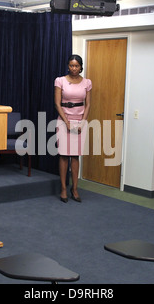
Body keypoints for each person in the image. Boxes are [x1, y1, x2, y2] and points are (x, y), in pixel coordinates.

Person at [54, 54, 92, 203]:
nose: (74, 68)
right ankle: (63, 188)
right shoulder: (60, 81)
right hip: (64, 120)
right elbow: (57, 103)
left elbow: (88, 104)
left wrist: (83, 122)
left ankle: (75, 188)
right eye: (71, 65)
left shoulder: (87, 82)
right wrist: (67, 122)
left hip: (80, 121)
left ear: (81, 67)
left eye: (76, 66)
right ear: (68, 66)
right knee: (64, 155)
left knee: (75, 156)